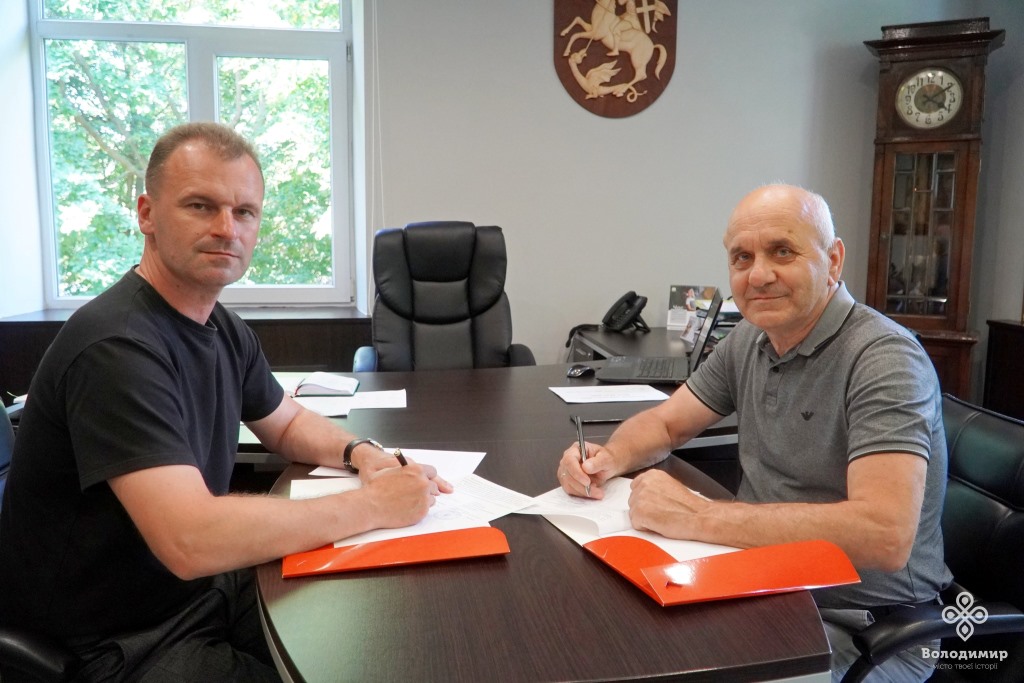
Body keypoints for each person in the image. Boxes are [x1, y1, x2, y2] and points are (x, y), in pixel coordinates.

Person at [0, 122, 452, 682]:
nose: (226, 228)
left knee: (377, 639)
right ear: (146, 214)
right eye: (200, 206)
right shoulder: (115, 348)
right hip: (118, 639)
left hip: (199, 590)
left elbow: (285, 422)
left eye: (244, 212)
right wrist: (376, 505)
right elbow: (190, 539)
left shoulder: (220, 325)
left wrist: (362, 453)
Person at [558, 184, 951, 682]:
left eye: (782, 251)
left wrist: (698, 515)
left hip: (864, 629)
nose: (759, 275)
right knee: (604, 639)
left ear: (833, 260)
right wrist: (608, 458)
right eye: (742, 258)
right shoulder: (751, 338)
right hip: (760, 586)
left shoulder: (885, 359)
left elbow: (884, 535)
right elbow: (666, 422)